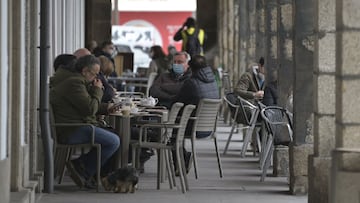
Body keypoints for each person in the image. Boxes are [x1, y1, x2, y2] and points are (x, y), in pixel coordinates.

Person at [50, 55, 120, 189]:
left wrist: (107, 108)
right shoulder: (75, 83)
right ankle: (83, 168)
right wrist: (98, 90)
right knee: (113, 141)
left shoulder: (76, 81)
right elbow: (89, 108)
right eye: (94, 74)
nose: (95, 78)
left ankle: (88, 171)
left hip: (76, 124)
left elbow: (86, 105)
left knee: (113, 135)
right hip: (72, 129)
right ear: (85, 71)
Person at [172, 55, 220, 172]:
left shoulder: (191, 83)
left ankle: (181, 163)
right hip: (209, 128)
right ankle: (182, 161)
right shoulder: (213, 81)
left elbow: (177, 102)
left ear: (190, 68)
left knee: (171, 131)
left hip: (194, 127)